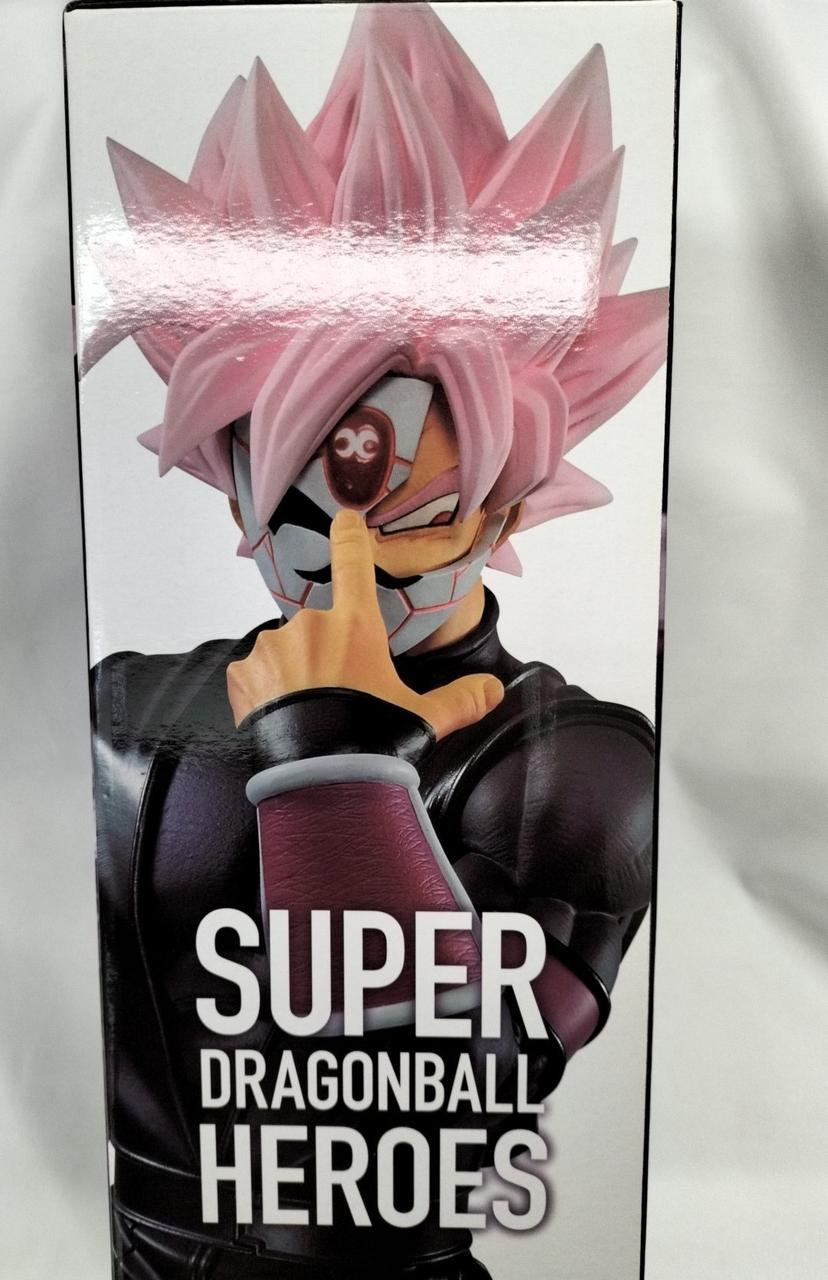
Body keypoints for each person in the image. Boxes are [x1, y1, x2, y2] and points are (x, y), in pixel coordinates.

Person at [83, 5, 667, 1276]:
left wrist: (333, 760)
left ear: (506, 505)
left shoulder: (575, 769)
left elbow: (427, 1125)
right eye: (297, 512)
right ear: (236, 493)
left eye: (416, 513)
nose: (351, 556)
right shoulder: (127, 708)